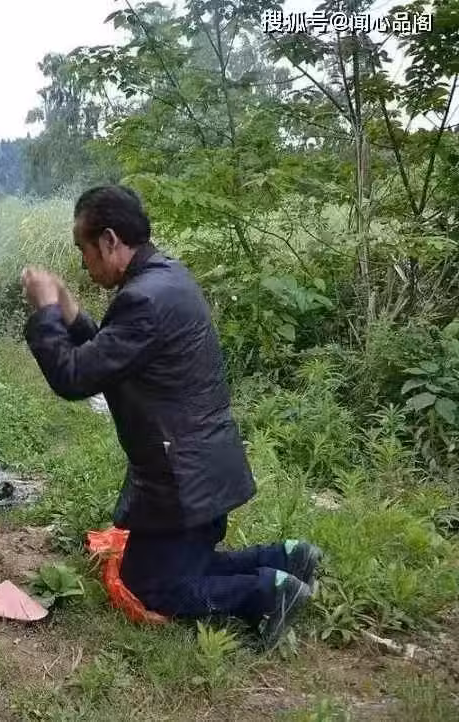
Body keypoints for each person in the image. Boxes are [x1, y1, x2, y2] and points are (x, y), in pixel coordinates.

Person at [20, 185, 321, 649]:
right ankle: (287, 558)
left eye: (83, 249)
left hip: (182, 479)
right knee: (176, 568)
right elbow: (110, 355)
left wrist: (45, 314)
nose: (83, 262)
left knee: (151, 587)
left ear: (109, 240)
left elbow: (74, 377)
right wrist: (70, 312)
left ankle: (267, 593)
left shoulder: (143, 300)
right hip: (202, 466)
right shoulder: (165, 278)